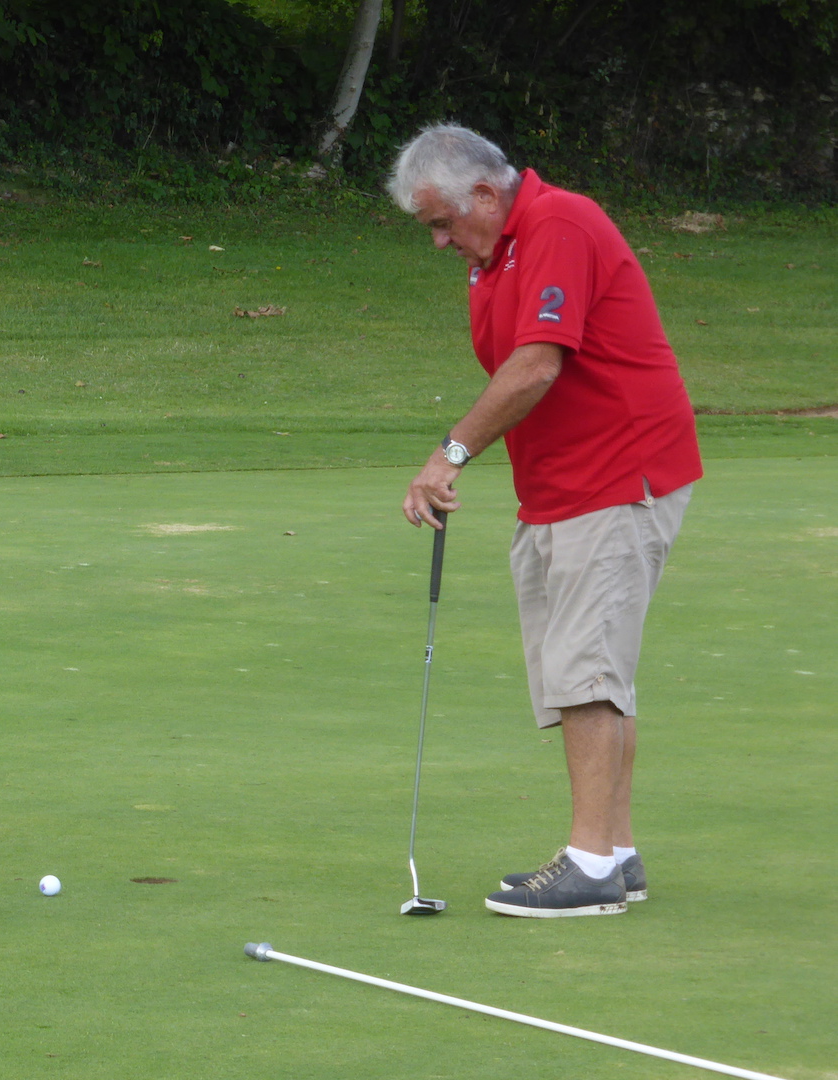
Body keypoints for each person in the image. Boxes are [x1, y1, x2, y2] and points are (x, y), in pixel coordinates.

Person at [387, 124, 701, 918]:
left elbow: (536, 364)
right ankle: (617, 852)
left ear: (486, 196)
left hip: (617, 475)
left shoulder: (559, 225)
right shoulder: (492, 258)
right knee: (589, 670)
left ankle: (591, 864)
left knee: (586, 670)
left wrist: (449, 455)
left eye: (443, 222)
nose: (438, 241)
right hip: (564, 485)